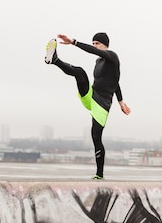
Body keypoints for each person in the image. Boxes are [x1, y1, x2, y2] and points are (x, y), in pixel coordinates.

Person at [45, 32, 130, 180]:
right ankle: (54, 60)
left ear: (105, 44)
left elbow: (115, 82)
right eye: (93, 43)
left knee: (96, 137)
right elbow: (113, 81)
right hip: (91, 96)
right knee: (80, 73)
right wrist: (121, 101)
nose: (94, 46)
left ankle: (99, 174)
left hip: (102, 104)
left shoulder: (112, 56)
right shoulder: (99, 62)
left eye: (97, 43)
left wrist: (74, 42)